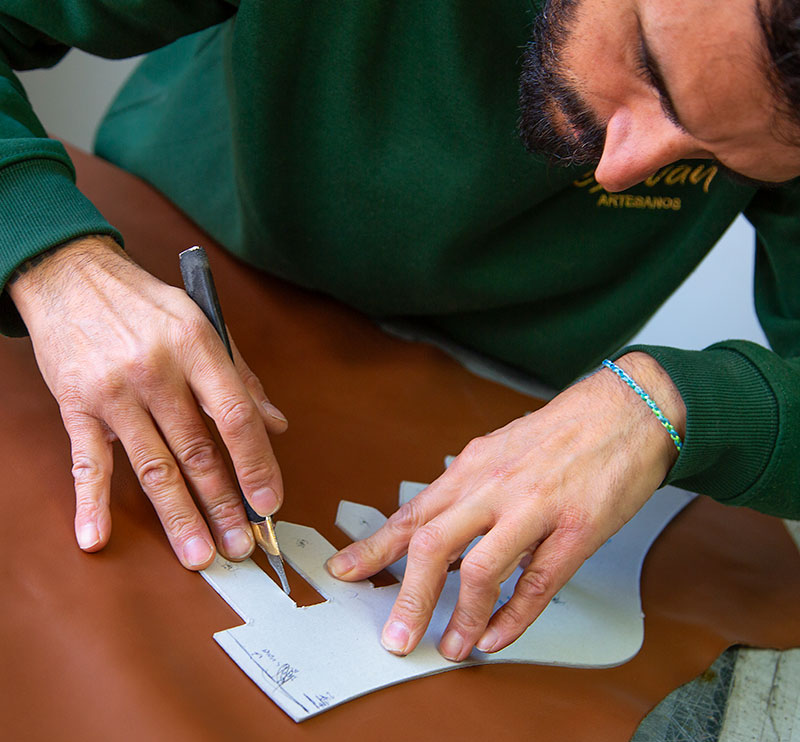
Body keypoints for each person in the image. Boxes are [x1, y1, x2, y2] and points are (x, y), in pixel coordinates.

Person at [1, 0, 798, 665]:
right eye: (652, 71)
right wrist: (51, 254)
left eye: (722, 155)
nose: (621, 168)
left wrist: (677, 401)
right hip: (170, 271)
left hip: (492, 399)